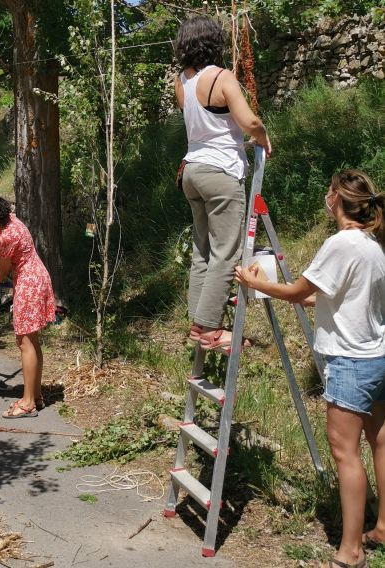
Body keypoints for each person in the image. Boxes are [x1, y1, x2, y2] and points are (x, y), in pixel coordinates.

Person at [235, 170, 385, 568]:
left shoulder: (341, 243)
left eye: (329, 191)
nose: (325, 196)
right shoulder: (372, 245)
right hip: (377, 357)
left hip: (350, 361)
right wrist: (303, 300)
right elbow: (339, 298)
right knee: (380, 443)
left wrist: (256, 282)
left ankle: (351, 551)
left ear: (336, 198)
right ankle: (383, 526)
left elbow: (300, 289)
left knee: (344, 451)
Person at [174, 16, 272, 351]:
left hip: (192, 170)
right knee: (227, 251)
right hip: (220, 173)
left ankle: (198, 322)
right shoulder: (222, 77)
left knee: (203, 250)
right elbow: (249, 121)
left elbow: (203, 126)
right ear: (213, 42)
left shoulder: (181, 82)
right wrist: (262, 136)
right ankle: (211, 329)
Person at [0, 195, 56, 417]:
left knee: (24, 341)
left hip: (30, 284)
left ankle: (27, 402)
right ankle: (35, 395)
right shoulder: (9, 221)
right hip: (36, 278)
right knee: (31, 340)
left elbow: (2, 271)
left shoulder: (7, 234)